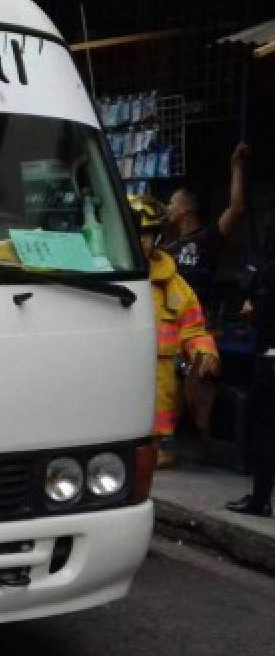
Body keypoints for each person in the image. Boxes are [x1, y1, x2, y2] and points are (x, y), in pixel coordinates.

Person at [133, 195, 221, 467]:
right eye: (135, 234)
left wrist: (204, 354)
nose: (141, 241)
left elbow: (193, 329)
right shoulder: (98, 278)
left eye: (147, 235)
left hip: (158, 400)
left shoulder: (173, 285)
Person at [161, 143, 251, 309]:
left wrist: (237, 167)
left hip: (200, 317)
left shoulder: (208, 237)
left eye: (171, 203)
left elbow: (236, 208)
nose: (168, 208)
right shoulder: (168, 246)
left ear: (185, 209)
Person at [227, 230, 275, 517]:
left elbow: (262, 313)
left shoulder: (269, 274)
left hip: (271, 360)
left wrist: (250, 311)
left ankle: (260, 499)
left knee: (264, 434)